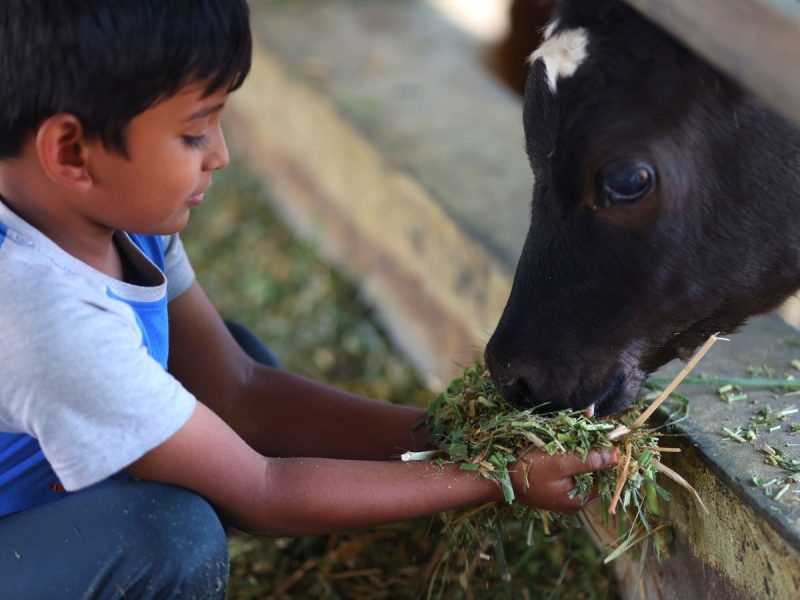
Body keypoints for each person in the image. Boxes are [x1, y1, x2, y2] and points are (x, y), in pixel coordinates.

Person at [0, 1, 617, 597]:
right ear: (73, 152)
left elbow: (239, 388)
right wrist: (492, 479)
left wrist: (462, 438)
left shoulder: (104, 218)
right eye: (193, 133)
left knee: (219, 367)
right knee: (166, 539)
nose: (220, 155)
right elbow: (261, 491)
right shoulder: (43, 311)